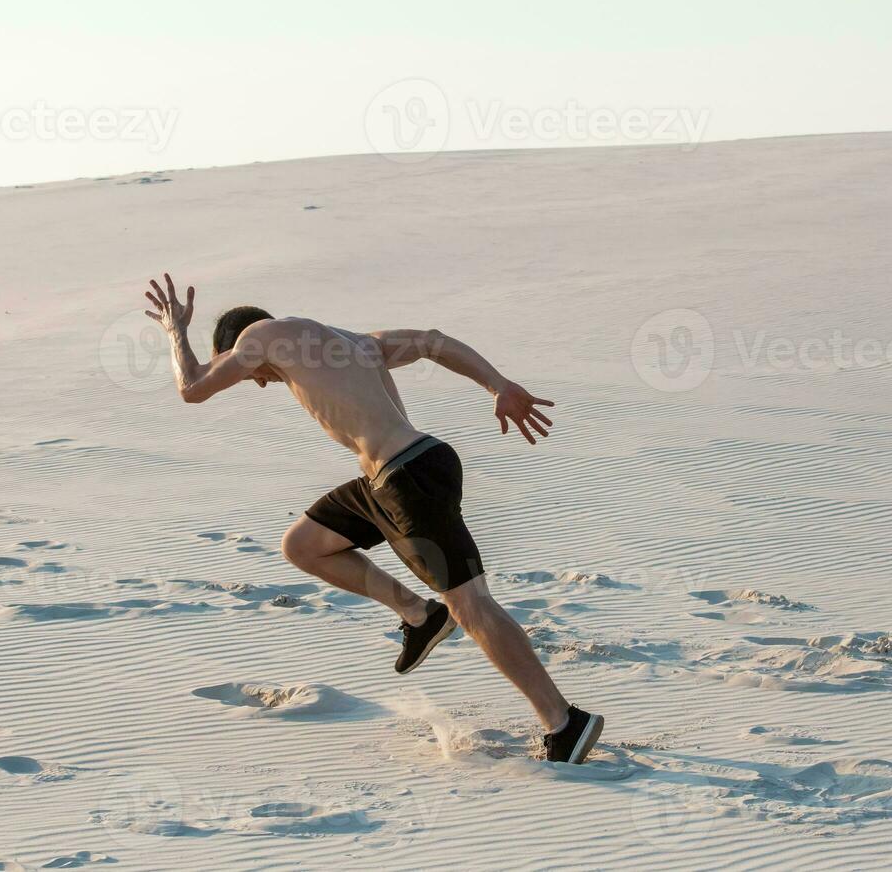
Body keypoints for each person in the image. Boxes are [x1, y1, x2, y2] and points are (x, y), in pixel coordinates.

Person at [142, 274, 604, 765]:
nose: (260, 381)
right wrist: (498, 384)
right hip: (400, 474)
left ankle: (564, 722)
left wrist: (175, 332)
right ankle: (420, 616)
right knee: (303, 544)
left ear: (237, 347)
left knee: (473, 606)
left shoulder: (260, 337)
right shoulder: (353, 343)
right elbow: (431, 342)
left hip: (408, 481)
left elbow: (192, 387)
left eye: (253, 374)